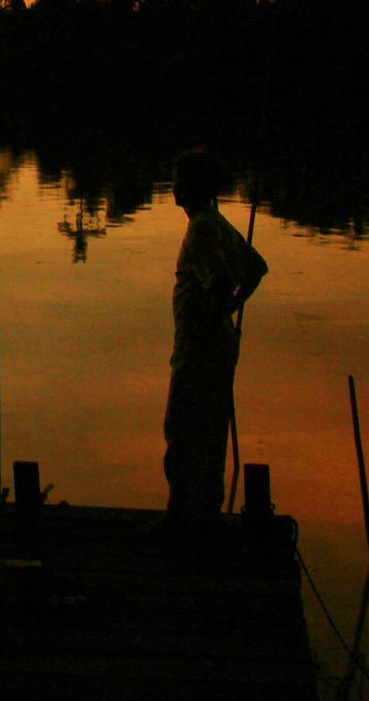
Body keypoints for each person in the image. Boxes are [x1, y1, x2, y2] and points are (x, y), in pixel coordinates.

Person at [161, 148, 267, 532]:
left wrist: (218, 314)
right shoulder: (217, 222)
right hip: (219, 345)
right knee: (210, 430)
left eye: (178, 180)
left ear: (188, 188)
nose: (173, 187)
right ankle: (205, 513)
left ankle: (180, 518)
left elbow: (221, 280)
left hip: (199, 347)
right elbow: (256, 268)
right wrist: (232, 310)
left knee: (183, 429)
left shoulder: (203, 228)